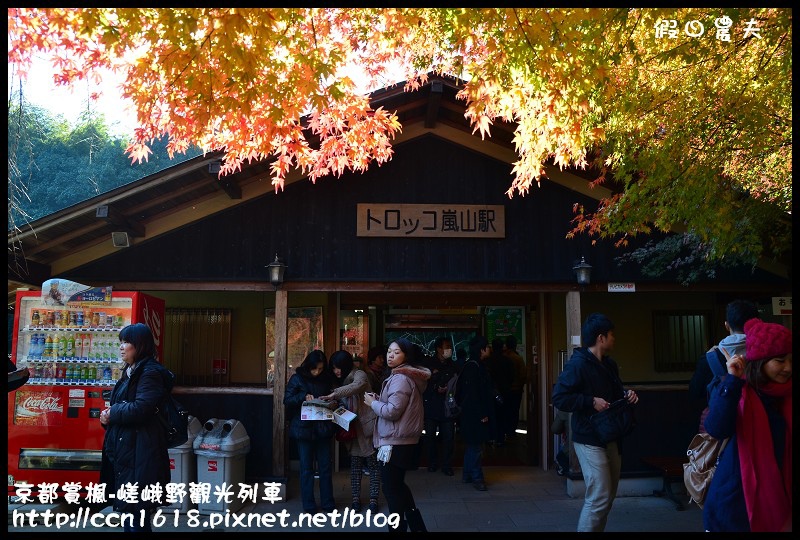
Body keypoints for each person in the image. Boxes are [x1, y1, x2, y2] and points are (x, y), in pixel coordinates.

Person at [551, 313, 639, 532]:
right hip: (588, 437)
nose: (614, 338)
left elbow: (616, 391)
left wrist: (627, 394)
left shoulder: (609, 365)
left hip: (611, 435)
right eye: (611, 335)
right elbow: (559, 397)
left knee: (607, 496)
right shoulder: (578, 364)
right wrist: (590, 401)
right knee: (599, 495)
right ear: (601, 338)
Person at [703, 318, 792, 532]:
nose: (788, 368)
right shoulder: (738, 391)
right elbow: (716, 428)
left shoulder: (787, 396)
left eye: (792, 359)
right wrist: (732, 381)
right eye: (780, 360)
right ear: (760, 362)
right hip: (735, 504)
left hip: (783, 500)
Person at [98, 323, 172, 532]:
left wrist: (112, 413)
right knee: (131, 512)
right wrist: (107, 417)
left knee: (137, 512)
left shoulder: (149, 373)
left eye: (127, 342)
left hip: (142, 450)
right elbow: (122, 408)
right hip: (128, 450)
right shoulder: (130, 372)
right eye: (120, 342)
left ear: (140, 345)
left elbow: (142, 408)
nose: (122, 347)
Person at [364, 338, 431, 532]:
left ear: (406, 356)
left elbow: (393, 412)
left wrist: (373, 404)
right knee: (398, 486)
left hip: (394, 443)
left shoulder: (400, 378)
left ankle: (398, 528)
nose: (390, 356)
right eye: (389, 351)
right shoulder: (402, 376)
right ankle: (417, 527)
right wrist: (379, 400)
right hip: (401, 440)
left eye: (397, 352)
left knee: (392, 490)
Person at [321, 350, 380, 513]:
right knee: (355, 466)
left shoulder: (359, 374)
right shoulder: (337, 382)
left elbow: (356, 386)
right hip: (351, 428)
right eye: (333, 368)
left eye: (338, 367)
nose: (336, 371)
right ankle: (355, 499)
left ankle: (374, 499)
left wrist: (335, 394)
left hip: (366, 428)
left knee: (373, 464)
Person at [689, 299, 760, 432]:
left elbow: (695, 392)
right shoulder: (765, 355)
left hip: (722, 424)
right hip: (759, 423)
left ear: (727, 325)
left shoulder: (710, 357)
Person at [283, 349, 336, 514]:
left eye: (320, 369)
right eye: (314, 369)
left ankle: (328, 503)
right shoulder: (297, 378)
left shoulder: (327, 378)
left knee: (325, 467)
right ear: (308, 366)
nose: (317, 372)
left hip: (323, 427)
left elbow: (335, 397)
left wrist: (332, 401)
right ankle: (309, 505)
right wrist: (302, 397)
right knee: (306, 468)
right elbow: (287, 400)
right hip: (303, 429)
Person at [458, 334, 494, 491]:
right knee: (476, 447)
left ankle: (467, 474)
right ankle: (477, 477)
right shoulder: (475, 367)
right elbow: (474, 394)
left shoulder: (470, 365)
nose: (489, 349)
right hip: (473, 414)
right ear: (482, 349)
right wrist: (482, 414)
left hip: (468, 413)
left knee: (472, 445)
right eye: (488, 346)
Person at [421, 336, 458, 476]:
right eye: (446, 347)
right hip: (431, 405)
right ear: (438, 349)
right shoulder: (428, 364)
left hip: (447, 407)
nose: (449, 349)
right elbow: (423, 384)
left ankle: (447, 465)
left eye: (449, 347)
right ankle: (432, 463)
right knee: (430, 436)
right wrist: (435, 387)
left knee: (448, 437)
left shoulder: (453, 365)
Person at [487, 337, 513, 446]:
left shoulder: (488, 361)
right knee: (502, 416)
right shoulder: (507, 360)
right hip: (504, 392)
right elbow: (512, 377)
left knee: (491, 415)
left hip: (490, 392)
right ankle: (501, 439)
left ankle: (491, 437)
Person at [503, 335, 527, 440]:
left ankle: (504, 431)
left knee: (504, 410)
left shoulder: (503, 357)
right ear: (515, 345)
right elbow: (523, 375)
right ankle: (511, 432)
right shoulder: (518, 358)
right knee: (514, 412)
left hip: (503, 390)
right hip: (516, 390)